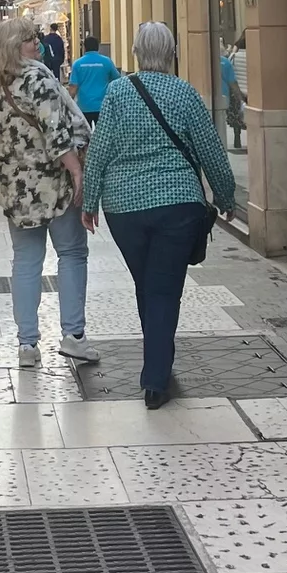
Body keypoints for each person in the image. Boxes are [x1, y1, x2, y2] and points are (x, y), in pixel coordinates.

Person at [84, 21, 235, 408]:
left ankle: (158, 361)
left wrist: (89, 201)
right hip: (177, 205)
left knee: (148, 284)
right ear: (172, 53)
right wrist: (226, 194)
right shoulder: (184, 93)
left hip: (124, 208)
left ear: (136, 53)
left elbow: (100, 149)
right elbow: (211, 149)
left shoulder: (118, 92)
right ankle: (156, 377)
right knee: (163, 289)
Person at [0, 16, 96, 364]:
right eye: (30, 39)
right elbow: (57, 133)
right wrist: (77, 173)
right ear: (16, 45)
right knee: (72, 253)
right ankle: (73, 335)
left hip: (16, 192)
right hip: (54, 185)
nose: (38, 46)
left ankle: (27, 344)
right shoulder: (37, 77)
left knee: (26, 261)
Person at [68, 34, 119, 126]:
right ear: (98, 46)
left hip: (84, 106)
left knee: (84, 133)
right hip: (103, 106)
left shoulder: (78, 64)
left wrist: (69, 105)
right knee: (103, 132)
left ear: (84, 47)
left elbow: (73, 88)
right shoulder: (106, 61)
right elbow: (117, 79)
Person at [219, 43, 244, 152]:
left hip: (209, 97)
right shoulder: (225, 63)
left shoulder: (203, 63)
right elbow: (232, 83)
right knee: (222, 121)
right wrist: (240, 97)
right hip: (225, 96)